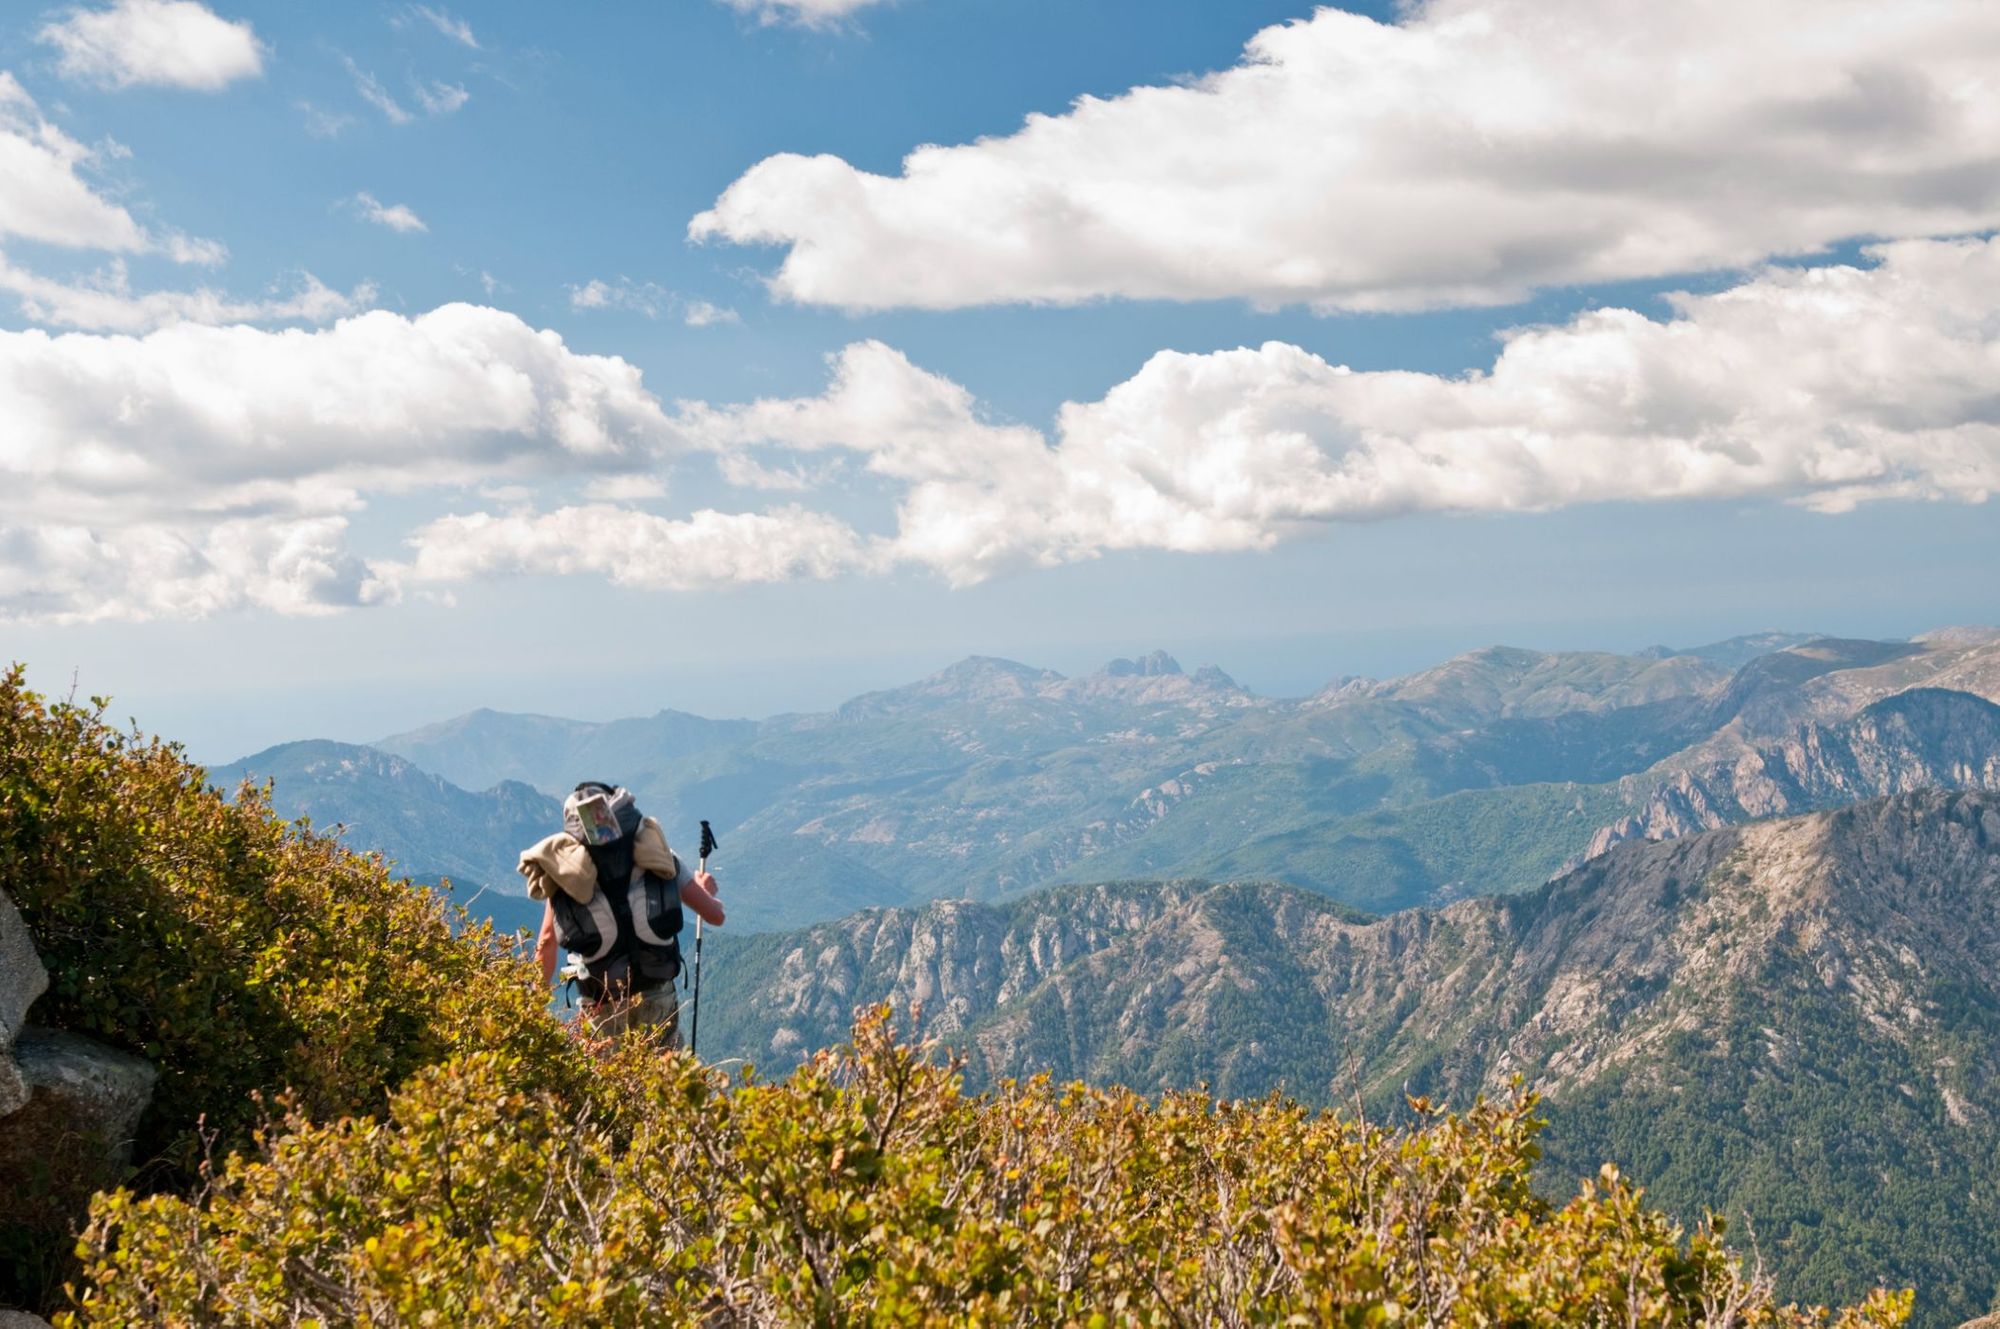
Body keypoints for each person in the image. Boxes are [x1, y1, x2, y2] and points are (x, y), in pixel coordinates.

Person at [520, 782, 725, 1049]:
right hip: (656, 993)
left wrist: (530, 1008)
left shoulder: (566, 873)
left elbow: (547, 940)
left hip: (600, 1002)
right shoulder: (658, 854)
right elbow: (715, 916)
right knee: (664, 1081)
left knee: (604, 1085)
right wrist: (702, 888)